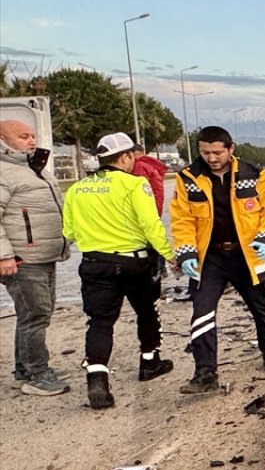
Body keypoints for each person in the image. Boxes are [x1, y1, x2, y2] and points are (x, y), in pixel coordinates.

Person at [62, 133, 177, 409]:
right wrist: (170, 255)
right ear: (125, 157)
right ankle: (150, 362)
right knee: (147, 311)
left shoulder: (77, 189)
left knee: (100, 321)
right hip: (134, 263)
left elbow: (69, 231)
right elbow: (151, 226)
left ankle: (97, 379)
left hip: (94, 263)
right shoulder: (135, 185)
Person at [171, 126, 265, 394]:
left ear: (230, 149)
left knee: (263, 309)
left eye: (217, 152)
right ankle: (204, 373)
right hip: (210, 258)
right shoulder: (188, 178)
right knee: (202, 312)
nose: (211, 158)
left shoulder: (254, 174)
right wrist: (186, 252)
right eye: (205, 152)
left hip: (246, 255)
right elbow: (182, 219)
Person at [0, 119, 71, 396]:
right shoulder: (4, 172)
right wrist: (4, 256)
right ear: (4, 141)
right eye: (22, 136)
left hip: (43, 254)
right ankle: (37, 374)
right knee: (36, 314)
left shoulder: (33, 167)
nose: (31, 141)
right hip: (21, 258)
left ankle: (24, 369)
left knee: (31, 313)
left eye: (31, 135)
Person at [130, 145, 167, 216]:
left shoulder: (139, 166)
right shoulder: (150, 164)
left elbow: (137, 191)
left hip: (146, 209)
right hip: (155, 206)